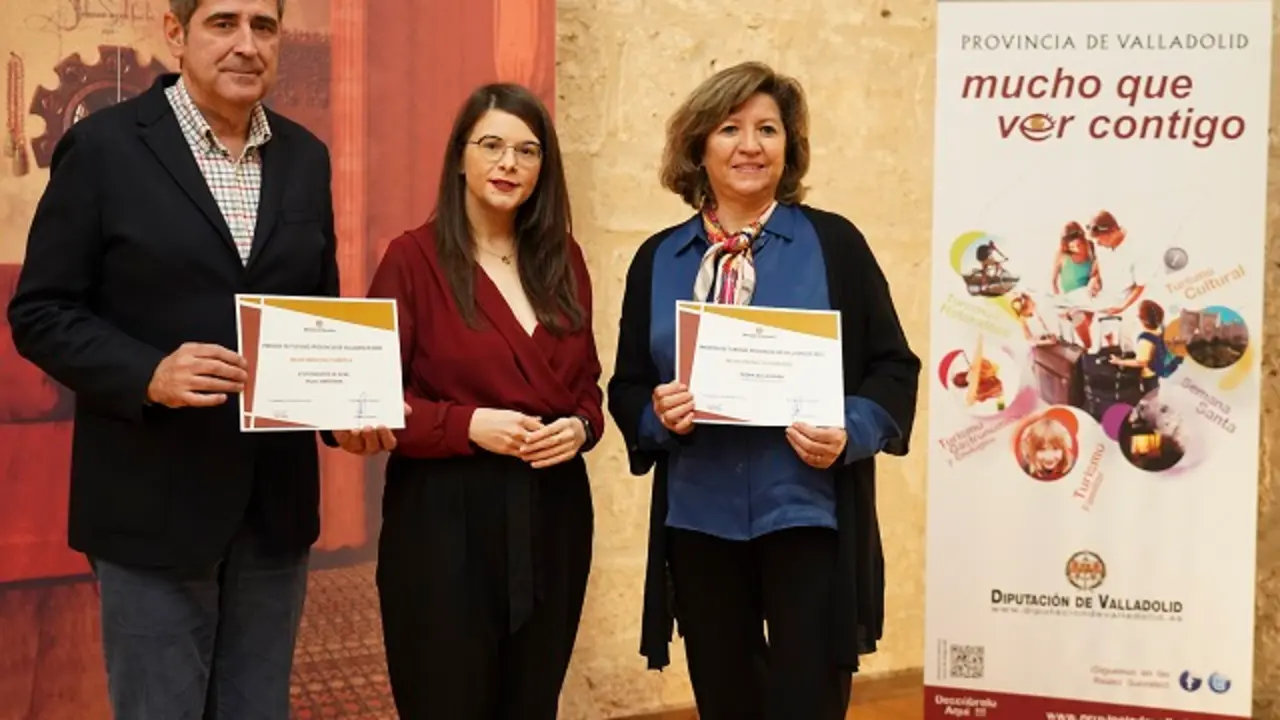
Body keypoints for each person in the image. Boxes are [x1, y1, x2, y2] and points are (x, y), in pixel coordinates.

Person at [5, 1, 394, 716]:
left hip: (273, 511)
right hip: (151, 505)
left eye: (264, 26)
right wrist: (147, 373)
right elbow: (40, 313)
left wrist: (347, 417)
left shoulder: (306, 158)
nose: (247, 45)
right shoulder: (103, 149)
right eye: (223, 23)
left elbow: (317, 312)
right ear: (176, 33)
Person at [607, 61, 921, 720]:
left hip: (808, 518)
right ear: (698, 145)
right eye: (730, 128)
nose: (751, 146)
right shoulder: (658, 260)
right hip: (699, 523)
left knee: (808, 705)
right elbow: (629, 385)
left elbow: (894, 368)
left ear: (789, 146)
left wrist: (849, 429)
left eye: (768, 129)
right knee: (726, 703)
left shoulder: (835, 245)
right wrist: (659, 416)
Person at [362, 82, 603, 719]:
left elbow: (588, 389)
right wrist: (468, 425)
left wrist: (580, 428)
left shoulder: (565, 261)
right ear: (460, 158)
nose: (508, 164)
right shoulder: (411, 260)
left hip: (554, 516)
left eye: (527, 152)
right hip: (443, 522)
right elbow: (371, 398)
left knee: (531, 704)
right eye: (491, 145)